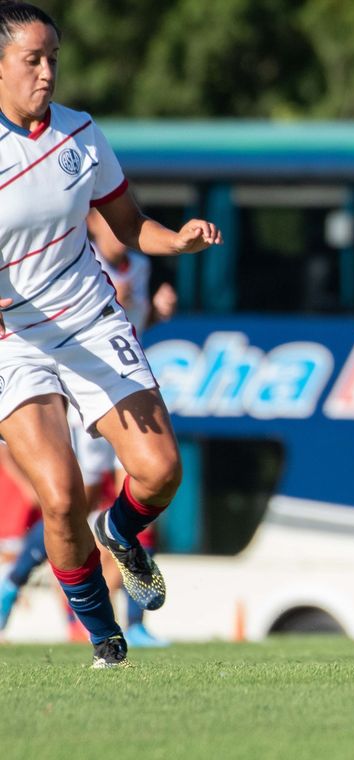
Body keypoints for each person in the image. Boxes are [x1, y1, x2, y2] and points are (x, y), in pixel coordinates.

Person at [0, 2, 221, 667]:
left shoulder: (81, 134)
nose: (46, 73)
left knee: (160, 474)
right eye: (31, 60)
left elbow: (129, 225)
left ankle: (120, 532)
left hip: (91, 320)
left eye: (52, 60)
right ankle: (107, 641)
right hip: (14, 341)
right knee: (60, 495)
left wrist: (174, 240)